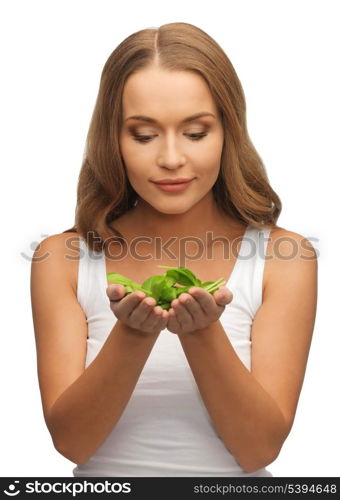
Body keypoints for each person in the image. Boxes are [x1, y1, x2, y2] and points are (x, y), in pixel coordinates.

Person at [30, 22, 318, 477]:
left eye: (196, 133)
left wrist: (201, 333)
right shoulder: (62, 258)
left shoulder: (285, 258)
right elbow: (71, 443)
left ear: (228, 132)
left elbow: (259, 449)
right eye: (143, 135)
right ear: (115, 140)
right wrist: (134, 334)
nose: (170, 158)